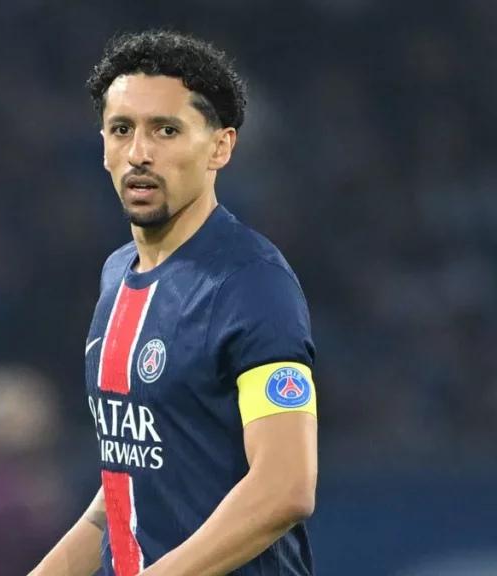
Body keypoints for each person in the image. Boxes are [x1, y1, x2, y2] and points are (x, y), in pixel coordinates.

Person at [31, 29, 319, 576]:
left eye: (166, 130)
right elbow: (127, 488)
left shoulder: (250, 284)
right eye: (122, 130)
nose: (139, 153)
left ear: (220, 147)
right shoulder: (118, 276)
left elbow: (285, 487)